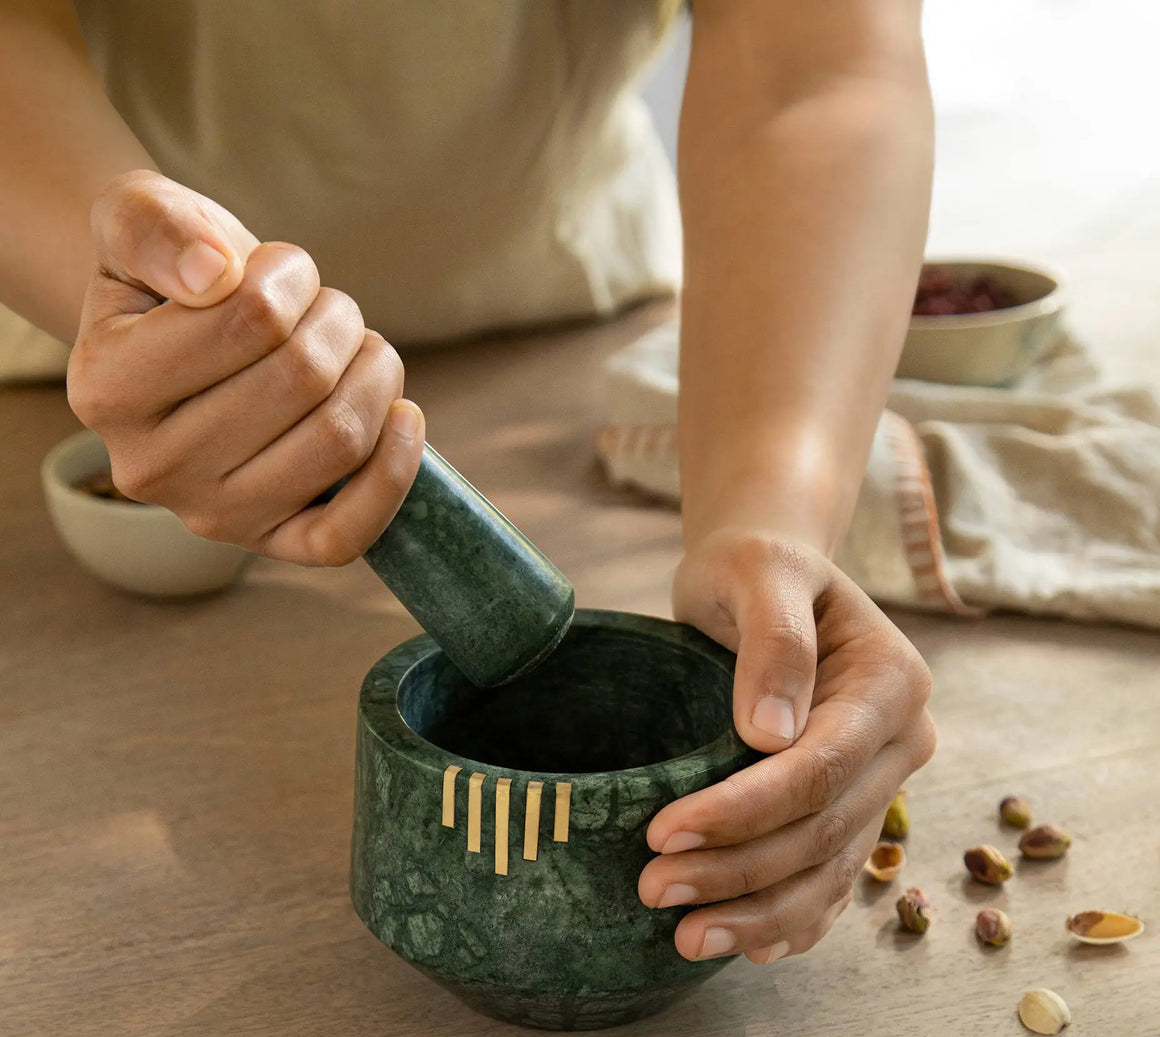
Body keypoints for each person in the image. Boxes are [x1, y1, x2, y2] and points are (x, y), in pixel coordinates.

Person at [0, 0, 935, 966]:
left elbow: (811, 63)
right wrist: (131, 288)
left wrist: (771, 510)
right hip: (81, 347)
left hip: (570, 319)